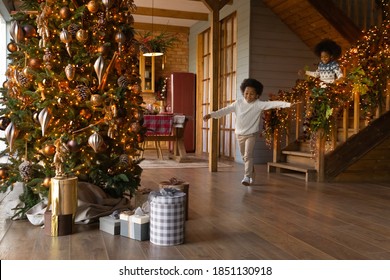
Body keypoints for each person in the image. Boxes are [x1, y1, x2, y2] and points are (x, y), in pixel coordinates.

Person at [203, 78, 292, 186]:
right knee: (245, 157)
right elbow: (224, 110)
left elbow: (273, 104)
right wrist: (211, 115)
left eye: (252, 94)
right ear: (243, 92)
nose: (248, 96)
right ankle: (251, 174)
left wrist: (288, 104)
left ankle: (247, 176)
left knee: (248, 155)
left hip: (251, 134)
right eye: (246, 93)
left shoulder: (258, 104)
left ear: (257, 95)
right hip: (239, 134)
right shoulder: (238, 103)